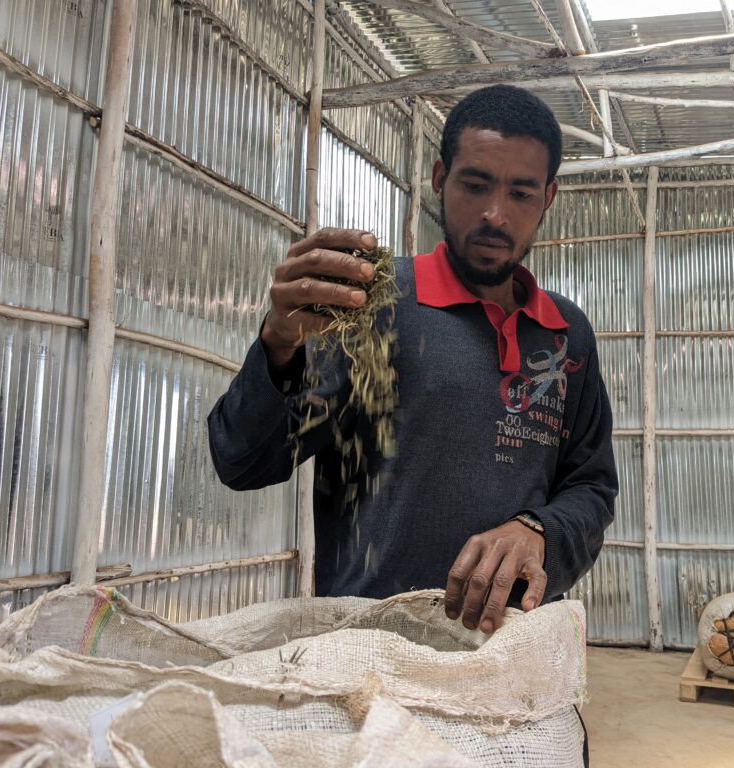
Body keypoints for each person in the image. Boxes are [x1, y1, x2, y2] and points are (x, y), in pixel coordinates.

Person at [208, 84, 617, 638]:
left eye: (521, 193)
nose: (495, 214)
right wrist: (280, 347)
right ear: (439, 179)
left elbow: (590, 488)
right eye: (475, 185)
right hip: (370, 648)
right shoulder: (370, 304)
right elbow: (242, 462)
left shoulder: (567, 335)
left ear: (547, 199)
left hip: (510, 648)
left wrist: (536, 531)